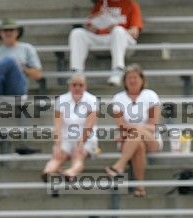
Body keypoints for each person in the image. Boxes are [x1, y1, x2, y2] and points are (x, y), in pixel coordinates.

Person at [105, 64, 162, 197]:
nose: (133, 80)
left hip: (150, 137)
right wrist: (131, 130)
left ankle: (119, 165)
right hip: (130, 139)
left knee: (136, 134)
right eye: (129, 78)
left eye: (136, 77)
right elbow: (121, 125)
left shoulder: (150, 95)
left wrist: (133, 129)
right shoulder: (118, 98)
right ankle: (140, 187)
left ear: (142, 80)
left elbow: (153, 125)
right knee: (139, 146)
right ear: (125, 81)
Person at [0, 17, 43, 129]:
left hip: (16, 87)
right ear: (0, 33)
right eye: (5, 30)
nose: (8, 33)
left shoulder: (27, 48)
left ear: (17, 32)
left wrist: (22, 68)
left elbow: (38, 74)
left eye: (11, 30)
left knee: (10, 61)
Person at [69, 0, 142, 86]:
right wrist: (94, 24)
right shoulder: (101, 3)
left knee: (118, 31)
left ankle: (117, 71)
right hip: (103, 38)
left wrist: (115, 28)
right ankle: (76, 73)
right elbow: (90, 26)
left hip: (123, 41)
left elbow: (134, 32)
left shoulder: (131, 4)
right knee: (77, 33)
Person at [42, 73, 99, 181]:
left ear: (85, 86)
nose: (77, 88)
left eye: (80, 85)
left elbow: (89, 126)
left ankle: (70, 173)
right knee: (58, 155)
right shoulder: (61, 100)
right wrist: (57, 145)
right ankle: (48, 172)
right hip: (66, 138)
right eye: (74, 85)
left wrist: (81, 143)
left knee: (78, 155)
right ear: (69, 86)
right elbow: (57, 125)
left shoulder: (92, 100)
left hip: (87, 139)